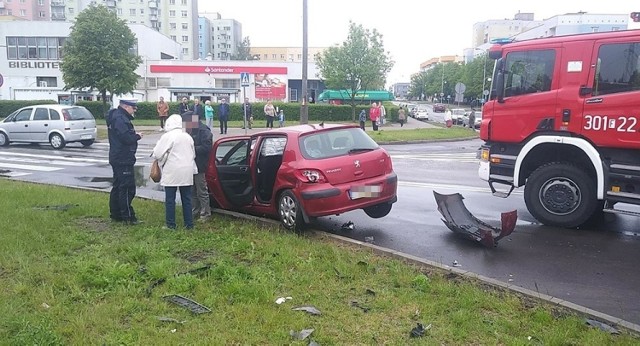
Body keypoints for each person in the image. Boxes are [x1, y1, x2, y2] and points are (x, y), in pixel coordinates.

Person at [152, 114, 196, 230]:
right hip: (187, 170)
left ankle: (171, 224)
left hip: (172, 170)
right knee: (186, 198)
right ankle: (189, 224)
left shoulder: (167, 136)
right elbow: (193, 153)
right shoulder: (187, 136)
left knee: (170, 199)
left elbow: (157, 153)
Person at [107, 99, 143, 225]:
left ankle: (116, 214)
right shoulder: (120, 119)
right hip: (123, 158)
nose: (134, 110)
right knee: (127, 188)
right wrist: (137, 136)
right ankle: (127, 216)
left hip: (118, 156)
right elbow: (126, 138)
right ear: (126, 107)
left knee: (117, 186)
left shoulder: (117, 117)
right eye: (133, 108)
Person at [182, 111, 213, 222]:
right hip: (190, 164)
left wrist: (191, 149)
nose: (184, 125)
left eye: (186, 122)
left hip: (200, 165)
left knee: (201, 190)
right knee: (192, 190)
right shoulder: (189, 130)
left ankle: (205, 213)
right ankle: (195, 211)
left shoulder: (204, 131)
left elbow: (207, 147)